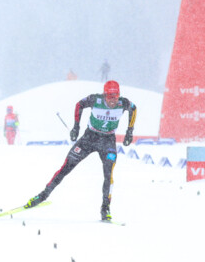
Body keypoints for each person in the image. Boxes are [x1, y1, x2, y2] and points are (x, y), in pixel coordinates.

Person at [24, 80, 137, 221]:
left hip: (108, 141)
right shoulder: (95, 100)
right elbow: (79, 105)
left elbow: (134, 109)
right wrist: (76, 127)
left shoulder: (123, 103)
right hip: (89, 138)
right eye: (109, 97)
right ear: (104, 95)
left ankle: (105, 208)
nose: (113, 100)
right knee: (66, 167)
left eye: (115, 96)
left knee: (109, 175)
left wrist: (129, 131)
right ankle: (43, 195)